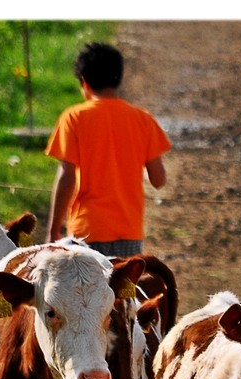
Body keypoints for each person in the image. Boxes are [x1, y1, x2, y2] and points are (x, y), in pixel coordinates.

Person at [45, 41, 171, 257]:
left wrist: (53, 229)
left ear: (84, 83)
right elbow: (158, 180)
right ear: (118, 78)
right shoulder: (142, 119)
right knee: (124, 290)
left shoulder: (74, 117)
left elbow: (67, 177)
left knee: (85, 290)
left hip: (86, 232)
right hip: (129, 233)